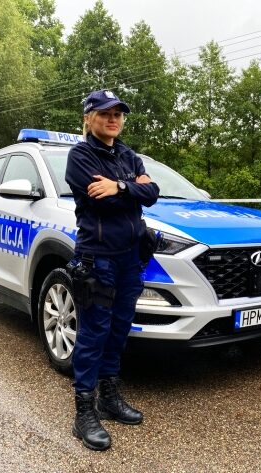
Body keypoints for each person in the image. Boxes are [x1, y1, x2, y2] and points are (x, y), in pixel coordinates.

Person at [65, 89, 159, 450]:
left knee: (119, 329)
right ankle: (83, 412)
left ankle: (109, 398)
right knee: (94, 333)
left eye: (118, 113)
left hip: (130, 257)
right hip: (98, 259)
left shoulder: (127, 155)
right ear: (89, 117)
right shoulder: (79, 157)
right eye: (105, 113)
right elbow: (99, 202)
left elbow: (153, 192)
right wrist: (133, 188)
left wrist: (121, 186)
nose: (113, 119)